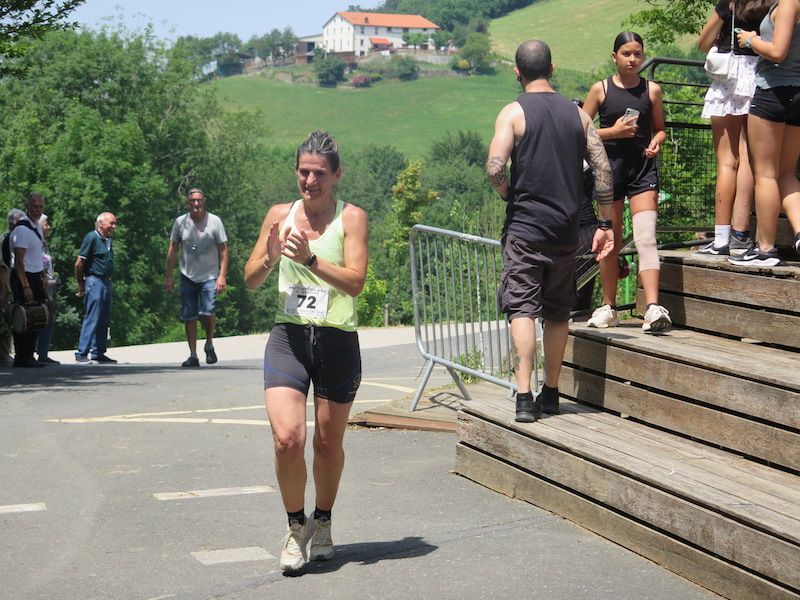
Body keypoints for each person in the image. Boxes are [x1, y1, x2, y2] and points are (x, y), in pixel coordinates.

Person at [243, 131, 368, 572]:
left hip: (336, 340)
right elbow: (250, 279)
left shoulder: (352, 218)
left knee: (328, 444)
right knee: (287, 438)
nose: (310, 181)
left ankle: (324, 520)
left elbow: (356, 283)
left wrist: (312, 260)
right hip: (289, 338)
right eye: (303, 172)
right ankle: (296, 527)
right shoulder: (280, 215)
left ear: (336, 175)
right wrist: (270, 257)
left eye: (319, 173)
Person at [486, 40, 615, 423]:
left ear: (517, 72)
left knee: (523, 309)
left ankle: (524, 397)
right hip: (566, 231)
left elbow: (495, 167)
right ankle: (553, 392)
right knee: (558, 313)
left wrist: (508, 193)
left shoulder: (513, 112)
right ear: (552, 69)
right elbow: (603, 169)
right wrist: (605, 223)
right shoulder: (578, 115)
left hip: (525, 229)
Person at [583, 31, 672, 332]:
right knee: (611, 241)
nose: (633, 59)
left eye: (637, 53)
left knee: (646, 237)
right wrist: (613, 132)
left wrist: (657, 141)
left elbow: (660, 128)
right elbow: (578, 131)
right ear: (614, 57)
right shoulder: (600, 90)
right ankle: (609, 307)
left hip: (642, 171)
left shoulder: (652, 90)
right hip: (608, 174)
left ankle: (653, 308)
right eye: (626, 54)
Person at [697, 0, 772, 256]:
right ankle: (741, 234)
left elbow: (703, 43)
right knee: (750, 160)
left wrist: (723, 10)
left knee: (727, 162)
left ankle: (721, 239)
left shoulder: (730, 4)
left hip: (729, 76)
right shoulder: (773, 4)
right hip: (761, 75)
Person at [730, 0, 800, 265]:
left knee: (766, 174)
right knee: (786, 173)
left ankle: (765, 249)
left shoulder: (789, 4)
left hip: (773, 91)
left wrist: (751, 40)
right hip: (797, 93)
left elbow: (778, 51)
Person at [165, 188, 229, 367]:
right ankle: (193, 355)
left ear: (204, 201)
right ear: (188, 203)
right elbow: (173, 249)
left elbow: (224, 251)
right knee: (189, 316)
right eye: (192, 200)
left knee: (208, 311)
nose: (196, 203)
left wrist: (222, 276)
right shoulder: (180, 222)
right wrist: (168, 276)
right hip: (187, 274)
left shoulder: (214, 221)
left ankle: (209, 343)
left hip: (209, 275)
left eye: (199, 200)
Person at [9, 194, 47, 368]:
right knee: (24, 317)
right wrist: (25, 286)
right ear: (28, 207)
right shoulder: (22, 230)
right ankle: (22, 356)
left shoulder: (36, 227)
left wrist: (44, 276)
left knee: (36, 317)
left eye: (40, 207)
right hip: (24, 276)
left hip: (36, 275)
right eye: (35, 206)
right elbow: (19, 261)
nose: (38, 210)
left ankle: (29, 354)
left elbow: (38, 255)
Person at [74, 212, 118, 364]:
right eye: (111, 223)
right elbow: (79, 263)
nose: (114, 227)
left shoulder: (108, 240)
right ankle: (81, 352)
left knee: (104, 318)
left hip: (107, 281)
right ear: (101, 224)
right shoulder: (91, 238)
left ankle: (98, 352)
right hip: (95, 280)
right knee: (92, 317)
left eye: (115, 223)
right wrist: (81, 284)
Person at [1, 208, 27, 367]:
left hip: (15, 283)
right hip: (6, 285)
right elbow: (2, 267)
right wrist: (4, 290)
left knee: (16, 319)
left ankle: (18, 353)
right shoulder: (5, 239)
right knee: (5, 321)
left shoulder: (17, 239)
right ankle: (4, 355)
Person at [36, 214, 60, 364]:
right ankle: (32, 352)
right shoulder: (35, 243)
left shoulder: (44, 243)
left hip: (49, 285)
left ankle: (43, 353)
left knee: (48, 318)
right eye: (46, 224)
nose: (48, 227)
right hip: (40, 285)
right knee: (39, 317)